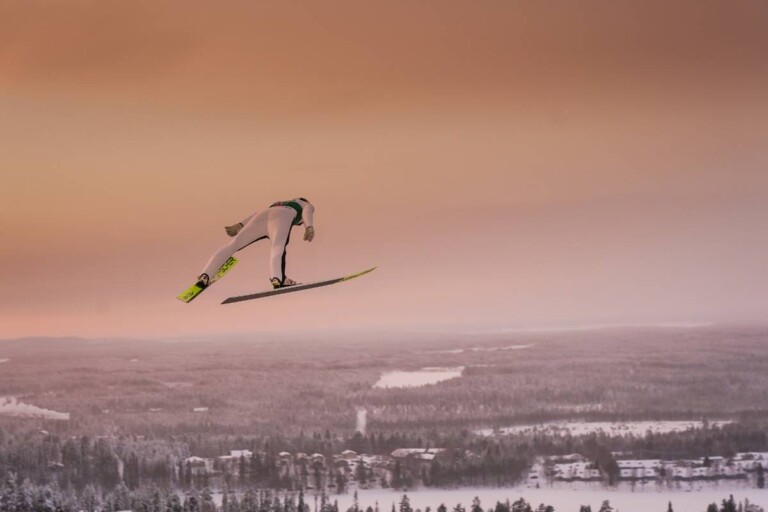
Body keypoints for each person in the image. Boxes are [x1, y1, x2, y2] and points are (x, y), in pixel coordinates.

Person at [196, 197, 315, 290]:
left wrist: (240, 225)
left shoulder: (280, 202)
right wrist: (309, 226)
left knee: (233, 244)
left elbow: (258, 213)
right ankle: (278, 279)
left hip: (262, 216)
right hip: (281, 217)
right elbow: (307, 211)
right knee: (277, 247)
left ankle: (205, 275)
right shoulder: (305, 204)